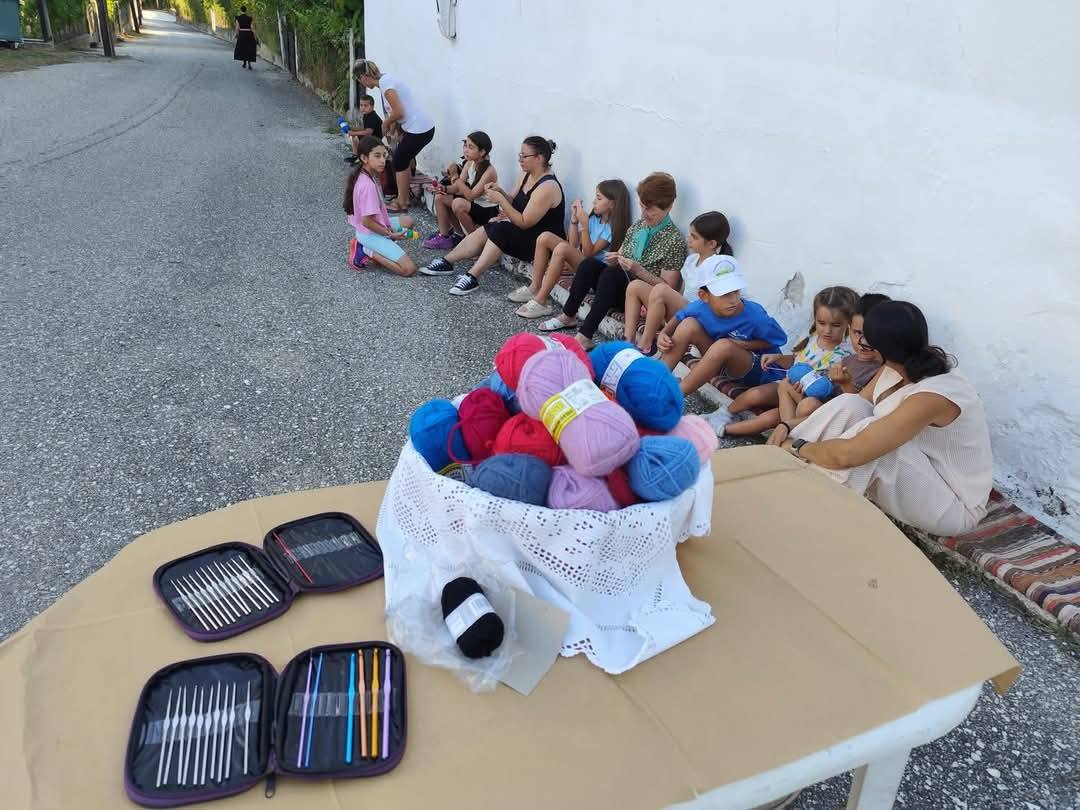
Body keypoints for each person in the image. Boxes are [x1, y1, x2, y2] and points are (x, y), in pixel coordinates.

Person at [784, 300, 993, 536]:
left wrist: (799, 446)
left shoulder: (933, 396)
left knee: (877, 445)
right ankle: (783, 468)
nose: (858, 343)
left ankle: (806, 509)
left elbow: (848, 454)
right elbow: (853, 408)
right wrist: (786, 426)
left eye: (863, 338)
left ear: (877, 348)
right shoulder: (894, 364)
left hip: (952, 506)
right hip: (918, 473)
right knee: (851, 404)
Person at [539, 172, 687, 350]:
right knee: (589, 265)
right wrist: (615, 258)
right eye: (642, 206)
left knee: (612, 274)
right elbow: (621, 255)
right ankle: (568, 315)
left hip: (639, 299)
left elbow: (668, 289)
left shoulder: (674, 240)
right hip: (617, 284)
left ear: (668, 207)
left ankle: (585, 335)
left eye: (650, 209)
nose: (644, 213)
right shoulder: (639, 226)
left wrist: (639, 270)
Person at [419, 136, 565, 298]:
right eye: (520, 155)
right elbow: (512, 201)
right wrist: (500, 191)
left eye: (524, 156)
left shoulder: (547, 187)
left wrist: (500, 200)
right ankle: (447, 262)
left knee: (500, 229)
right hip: (524, 232)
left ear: (539, 158)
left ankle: (472, 276)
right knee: (489, 228)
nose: (520, 159)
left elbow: (524, 222)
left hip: (539, 244)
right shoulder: (526, 174)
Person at [718, 286, 858, 440]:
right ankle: (722, 415)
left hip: (809, 402)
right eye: (821, 323)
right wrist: (778, 358)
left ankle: (723, 430)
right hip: (788, 387)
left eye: (836, 325)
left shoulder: (846, 354)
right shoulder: (812, 337)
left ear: (849, 323)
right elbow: (796, 360)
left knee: (767, 419)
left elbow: (835, 391)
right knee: (754, 394)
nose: (827, 330)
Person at [657, 261, 787, 398]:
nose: (733, 300)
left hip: (757, 371)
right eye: (724, 294)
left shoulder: (756, 316)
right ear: (704, 296)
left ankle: (673, 397)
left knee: (723, 345)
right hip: (719, 361)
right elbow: (680, 316)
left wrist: (742, 345)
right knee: (688, 325)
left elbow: (777, 340)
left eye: (736, 291)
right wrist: (664, 334)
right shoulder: (700, 307)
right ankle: (655, 379)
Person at [508, 180, 631, 319]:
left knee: (562, 248)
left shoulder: (611, 228)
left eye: (599, 198)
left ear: (612, 204)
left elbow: (588, 253)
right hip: (581, 263)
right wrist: (574, 221)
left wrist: (584, 225)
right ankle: (534, 287)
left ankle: (541, 301)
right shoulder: (595, 220)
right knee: (544, 237)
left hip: (593, 273)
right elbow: (573, 244)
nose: (594, 202)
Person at [623, 211, 734, 353]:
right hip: (680, 314)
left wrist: (661, 297)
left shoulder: (718, 266)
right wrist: (654, 302)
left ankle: (645, 346)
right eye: (690, 234)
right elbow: (680, 293)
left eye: (694, 237)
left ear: (711, 243)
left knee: (661, 289)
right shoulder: (692, 260)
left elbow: (714, 305)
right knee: (634, 286)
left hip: (697, 320)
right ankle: (627, 342)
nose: (689, 239)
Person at [353, 59, 436, 214]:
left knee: (399, 160)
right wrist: (394, 129)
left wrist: (385, 123)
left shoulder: (386, 84)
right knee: (403, 158)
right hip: (418, 127)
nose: (361, 83)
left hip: (419, 128)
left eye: (359, 80)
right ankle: (406, 196)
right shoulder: (385, 81)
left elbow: (399, 112)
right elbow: (396, 112)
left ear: (363, 76)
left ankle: (402, 202)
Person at [343, 136, 418, 277]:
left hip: (374, 227)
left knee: (408, 221)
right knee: (409, 269)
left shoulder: (365, 174)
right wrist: (390, 234)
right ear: (364, 158)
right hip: (369, 234)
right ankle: (366, 250)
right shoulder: (367, 186)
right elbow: (367, 222)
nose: (383, 160)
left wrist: (387, 230)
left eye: (384, 155)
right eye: (377, 156)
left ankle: (381, 245)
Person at [422, 132, 499, 249]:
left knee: (458, 203)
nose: (466, 150)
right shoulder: (469, 164)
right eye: (465, 145)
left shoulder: (489, 171)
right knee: (440, 197)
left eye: (471, 147)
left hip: (487, 211)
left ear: (482, 152)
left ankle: (475, 244)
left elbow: (471, 195)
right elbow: (457, 188)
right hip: (474, 205)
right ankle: (449, 236)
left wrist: (455, 176)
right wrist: (443, 188)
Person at [829, 293, 891, 396]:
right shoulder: (846, 362)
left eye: (872, 334)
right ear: (849, 330)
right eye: (858, 333)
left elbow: (862, 404)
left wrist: (846, 384)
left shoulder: (884, 371)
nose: (863, 342)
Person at [344, 95, 383, 165]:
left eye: (366, 106)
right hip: (371, 138)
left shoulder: (372, 117)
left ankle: (360, 158)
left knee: (355, 136)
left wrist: (353, 133)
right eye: (361, 105)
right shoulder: (366, 115)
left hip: (375, 141)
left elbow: (368, 132)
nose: (363, 108)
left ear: (372, 106)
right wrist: (352, 129)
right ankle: (356, 156)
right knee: (354, 136)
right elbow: (365, 128)